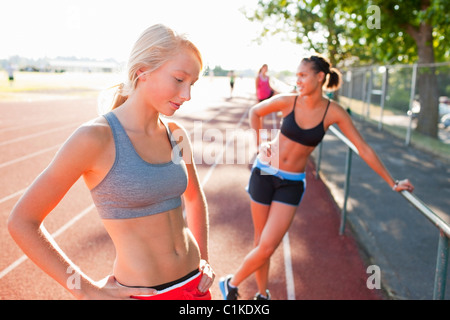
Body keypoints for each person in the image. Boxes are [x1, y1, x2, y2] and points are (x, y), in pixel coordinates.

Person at [8, 24, 214, 300]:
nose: (187, 95)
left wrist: (205, 259)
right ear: (142, 71)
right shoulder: (95, 138)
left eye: (192, 84)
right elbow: (22, 221)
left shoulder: (176, 134)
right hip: (145, 294)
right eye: (179, 79)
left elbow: (194, 199)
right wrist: (86, 291)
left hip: (196, 286)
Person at [219, 54, 414, 300]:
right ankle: (262, 293)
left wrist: (392, 182)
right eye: (297, 75)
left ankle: (231, 283)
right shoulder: (289, 101)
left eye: (303, 75)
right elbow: (256, 112)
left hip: (291, 183)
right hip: (265, 172)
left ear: (319, 77)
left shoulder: (334, 112)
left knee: (267, 245)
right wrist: (260, 144)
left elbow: (363, 148)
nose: (297, 80)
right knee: (261, 242)